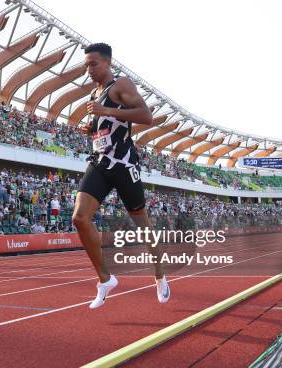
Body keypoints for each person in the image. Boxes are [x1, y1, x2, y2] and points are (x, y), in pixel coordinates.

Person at [74, 43, 169, 309]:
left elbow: (146, 116)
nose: (88, 69)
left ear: (107, 62)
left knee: (143, 227)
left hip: (124, 164)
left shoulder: (120, 84)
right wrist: (91, 129)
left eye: (93, 63)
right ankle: (105, 279)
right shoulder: (96, 93)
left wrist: (107, 111)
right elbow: (107, 128)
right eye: (86, 65)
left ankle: (159, 274)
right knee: (79, 218)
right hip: (101, 163)